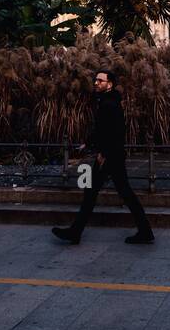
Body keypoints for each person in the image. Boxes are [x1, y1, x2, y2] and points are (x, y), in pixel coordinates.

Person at [52, 69, 154, 245]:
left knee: (98, 192)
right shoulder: (107, 100)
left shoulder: (110, 103)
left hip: (109, 156)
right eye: (96, 80)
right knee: (111, 192)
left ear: (110, 84)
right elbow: (102, 128)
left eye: (100, 81)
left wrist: (103, 153)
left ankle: (76, 232)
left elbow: (115, 131)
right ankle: (144, 231)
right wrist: (89, 143)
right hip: (111, 155)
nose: (96, 83)